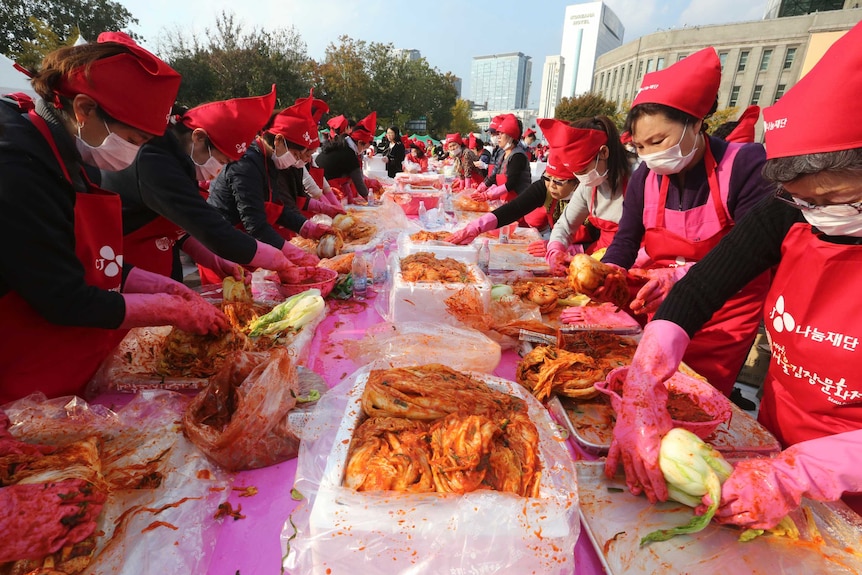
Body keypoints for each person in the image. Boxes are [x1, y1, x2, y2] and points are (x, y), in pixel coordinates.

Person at [605, 22, 862, 526]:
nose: (816, 212)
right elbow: (703, 287)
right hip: (776, 436)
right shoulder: (791, 210)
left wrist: (800, 474)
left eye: (832, 199)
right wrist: (644, 382)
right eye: (804, 199)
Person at [0, 32, 227, 403]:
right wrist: (168, 310)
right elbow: (62, 296)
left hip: (70, 372)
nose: (135, 154)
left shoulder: (71, 154)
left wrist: (162, 287)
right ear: (85, 110)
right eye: (134, 140)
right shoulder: (15, 166)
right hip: (19, 384)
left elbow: (86, 259)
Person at [597, 47, 773, 397]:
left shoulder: (745, 166)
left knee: (696, 400)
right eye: (641, 146)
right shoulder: (647, 176)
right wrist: (607, 278)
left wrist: (679, 274)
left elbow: (755, 253)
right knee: (650, 394)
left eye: (658, 141)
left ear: (695, 122)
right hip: (661, 308)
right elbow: (626, 239)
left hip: (723, 317)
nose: (649, 155)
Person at [101, 86, 309, 286]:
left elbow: (182, 230)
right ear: (198, 138)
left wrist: (216, 260)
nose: (218, 171)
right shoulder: (154, 160)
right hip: (122, 267)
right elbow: (210, 229)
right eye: (221, 160)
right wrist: (277, 259)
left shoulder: (180, 160)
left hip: (162, 263)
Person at [448, 117, 626, 255]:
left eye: (560, 182)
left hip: (602, 255)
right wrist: (476, 226)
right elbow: (516, 208)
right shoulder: (561, 184)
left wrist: (574, 250)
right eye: (548, 179)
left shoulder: (593, 182)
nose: (552, 186)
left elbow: (616, 241)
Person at [206, 96, 332, 284]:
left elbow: (277, 207)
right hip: (224, 248)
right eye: (297, 154)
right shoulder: (246, 164)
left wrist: (307, 228)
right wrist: (293, 253)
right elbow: (254, 224)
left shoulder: (269, 160)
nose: (297, 160)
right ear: (279, 141)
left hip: (247, 245)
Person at [543, 116, 630, 274]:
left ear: (603, 152)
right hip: (600, 259)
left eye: (583, 170)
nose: (580, 177)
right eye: (575, 173)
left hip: (633, 262)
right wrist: (555, 250)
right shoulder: (588, 185)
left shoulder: (638, 179)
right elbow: (565, 225)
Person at [315, 111, 377, 203]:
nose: (363, 150)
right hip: (323, 187)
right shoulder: (349, 153)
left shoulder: (343, 145)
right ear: (359, 142)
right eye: (364, 148)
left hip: (324, 184)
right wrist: (370, 200)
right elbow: (359, 182)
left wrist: (351, 197)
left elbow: (346, 180)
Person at [471, 114, 532, 203]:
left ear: (511, 137)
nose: (498, 137)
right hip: (506, 200)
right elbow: (495, 176)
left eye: (502, 133)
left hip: (519, 202)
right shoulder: (504, 155)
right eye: (498, 133)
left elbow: (511, 183)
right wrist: (482, 188)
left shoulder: (517, 156)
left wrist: (489, 195)